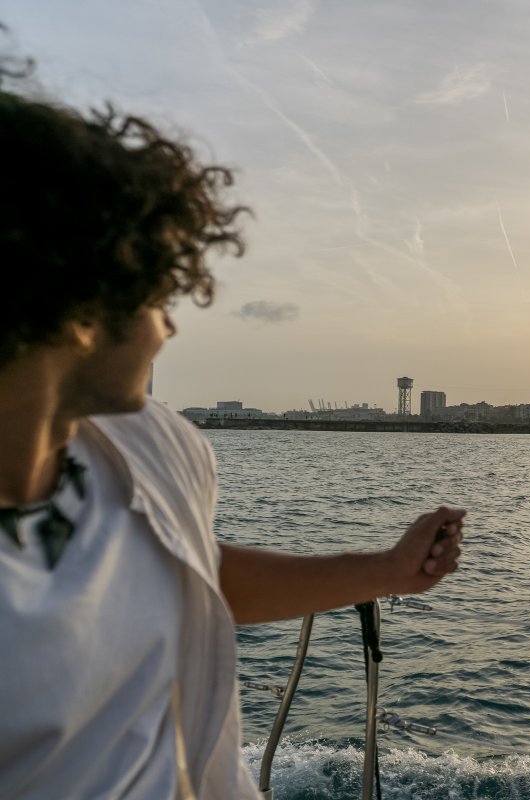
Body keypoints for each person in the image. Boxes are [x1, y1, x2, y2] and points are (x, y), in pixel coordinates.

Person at [0, 70, 464, 796]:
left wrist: (387, 571)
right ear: (76, 308)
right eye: (155, 294)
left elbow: (193, 575)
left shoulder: (154, 446)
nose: (169, 326)